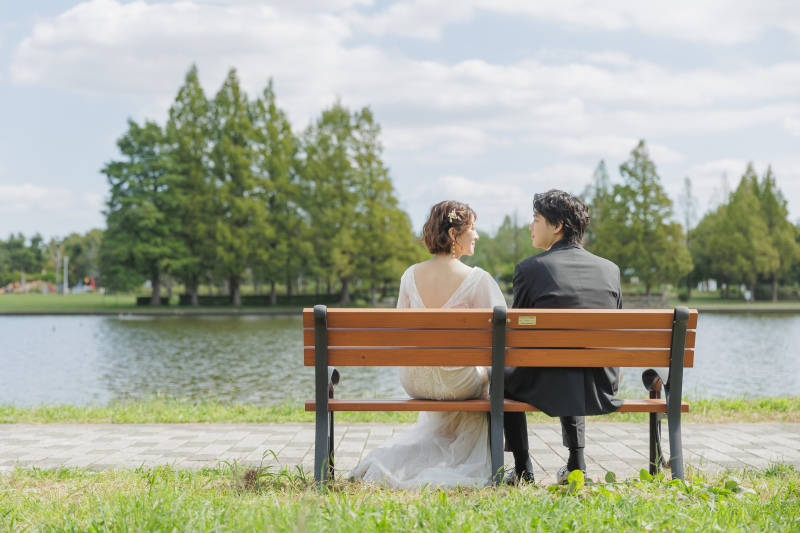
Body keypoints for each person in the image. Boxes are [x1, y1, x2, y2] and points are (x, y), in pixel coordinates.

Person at [349, 200, 507, 489]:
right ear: (452, 235)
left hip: (414, 381)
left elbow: (400, 334)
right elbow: (496, 346)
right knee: (489, 377)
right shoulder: (478, 278)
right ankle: (467, 455)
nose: (477, 235)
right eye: (472, 228)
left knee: (467, 371)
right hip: (458, 384)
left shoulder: (409, 275)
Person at [502, 189, 623, 485]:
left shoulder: (529, 270)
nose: (531, 226)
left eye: (536, 219)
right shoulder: (611, 270)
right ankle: (576, 464)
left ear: (557, 226)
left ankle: (522, 468)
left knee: (499, 376)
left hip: (543, 383)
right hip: (600, 382)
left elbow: (516, 337)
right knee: (574, 360)